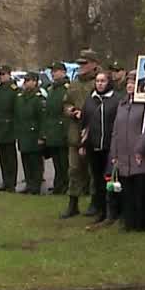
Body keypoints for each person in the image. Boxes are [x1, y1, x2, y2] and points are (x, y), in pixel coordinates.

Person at [110, 72, 145, 231]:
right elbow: (116, 130)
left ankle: (143, 223)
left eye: (133, 83)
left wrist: (140, 149)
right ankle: (129, 221)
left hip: (141, 156)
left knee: (142, 192)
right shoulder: (122, 104)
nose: (130, 86)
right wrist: (114, 153)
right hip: (124, 156)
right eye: (128, 83)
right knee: (128, 192)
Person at [62, 50, 100, 218]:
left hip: (93, 132)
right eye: (80, 64)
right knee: (74, 169)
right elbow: (66, 102)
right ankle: (73, 203)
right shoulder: (74, 83)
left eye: (84, 64)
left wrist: (87, 115)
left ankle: (95, 202)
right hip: (75, 134)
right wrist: (70, 110)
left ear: (93, 64)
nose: (81, 67)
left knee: (94, 170)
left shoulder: (100, 82)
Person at [81, 72, 119, 224]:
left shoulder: (116, 100)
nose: (100, 84)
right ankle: (100, 209)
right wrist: (83, 144)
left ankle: (113, 211)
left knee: (110, 179)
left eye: (103, 81)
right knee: (97, 180)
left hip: (110, 147)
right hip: (93, 146)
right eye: (97, 81)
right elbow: (84, 124)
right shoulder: (90, 100)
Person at [14, 73, 46, 195]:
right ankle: (29, 183)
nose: (26, 83)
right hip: (23, 133)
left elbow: (42, 118)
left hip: (34, 134)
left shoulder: (39, 97)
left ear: (35, 82)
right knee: (26, 160)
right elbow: (17, 115)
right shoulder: (20, 96)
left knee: (35, 162)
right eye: (25, 80)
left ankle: (36, 186)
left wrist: (42, 136)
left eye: (29, 81)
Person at [0, 66, 19, 192]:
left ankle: (11, 182)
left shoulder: (14, 89)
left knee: (10, 156)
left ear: (9, 74)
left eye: (3, 74)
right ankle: (5, 181)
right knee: (2, 156)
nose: (1, 76)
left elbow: (16, 109)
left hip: (9, 126)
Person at [43, 63, 71, 195]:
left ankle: (66, 184)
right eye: (52, 71)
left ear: (63, 72)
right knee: (56, 161)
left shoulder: (67, 88)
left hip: (62, 129)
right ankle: (58, 184)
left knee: (64, 160)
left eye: (56, 71)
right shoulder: (51, 89)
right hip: (52, 130)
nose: (53, 74)